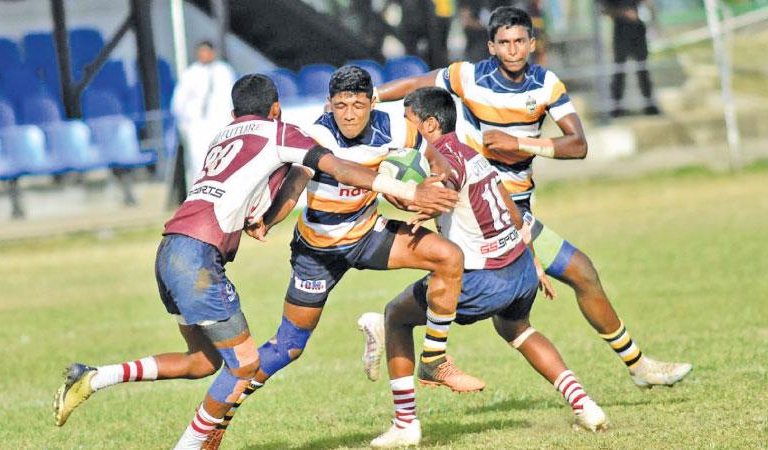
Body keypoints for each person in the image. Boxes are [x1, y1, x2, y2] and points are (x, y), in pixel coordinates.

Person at [52, 74, 459, 450]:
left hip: (171, 249)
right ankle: (198, 439)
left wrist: (265, 216)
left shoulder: (224, 134)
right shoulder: (282, 131)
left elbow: (257, 183)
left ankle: (94, 376)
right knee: (245, 363)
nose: (349, 113)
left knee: (203, 363)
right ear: (278, 109)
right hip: (203, 256)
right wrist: (405, 189)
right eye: (341, 104)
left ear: (234, 113)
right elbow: (327, 167)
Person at [372, 6, 691, 389]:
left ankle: (636, 369)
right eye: (504, 43)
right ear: (491, 46)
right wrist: (372, 97)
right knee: (565, 281)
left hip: (515, 209)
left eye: (520, 41)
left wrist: (520, 143)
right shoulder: (469, 76)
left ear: (532, 43)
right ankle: (636, 368)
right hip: (482, 212)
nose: (512, 50)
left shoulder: (546, 84)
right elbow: (420, 82)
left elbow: (577, 145)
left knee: (549, 298)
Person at [199, 66, 483, 450]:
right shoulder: (316, 135)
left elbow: (438, 163)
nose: (349, 113)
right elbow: (295, 185)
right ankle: (221, 415)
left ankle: (433, 360)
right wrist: (268, 219)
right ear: (329, 105)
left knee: (449, 257)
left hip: (368, 234)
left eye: (358, 105)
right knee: (288, 347)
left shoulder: (398, 128)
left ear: (371, 103)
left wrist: (436, 190)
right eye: (340, 105)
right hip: (317, 252)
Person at [361, 87, 608, 448]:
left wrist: (403, 195)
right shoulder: (470, 153)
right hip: (519, 267)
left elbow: (440, 188)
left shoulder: (440, 157)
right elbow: (509, 203)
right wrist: (533, 258)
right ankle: (586, 406)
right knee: (517, 329)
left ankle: (405, 425)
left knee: (396, 315)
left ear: (429, 125)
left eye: (408, 121)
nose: (404, 128)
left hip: (484, 278)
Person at [171, 41, 237, 192]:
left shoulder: (224, 71)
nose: (204, 55)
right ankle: (197, 194)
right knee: (198, 162)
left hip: (220, 123)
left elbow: (231, 97)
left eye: (206, 51)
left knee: (225, 160)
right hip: (198, 124)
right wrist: (186, 124)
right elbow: (178, 102)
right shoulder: (190, 73)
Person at [600, 0, 660, 116]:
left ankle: (650, 106)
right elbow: (603, 10)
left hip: (638, 32)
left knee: (643, 70)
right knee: (619, 71)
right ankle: (616, 108)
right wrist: (624, 13)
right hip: (620, 33)